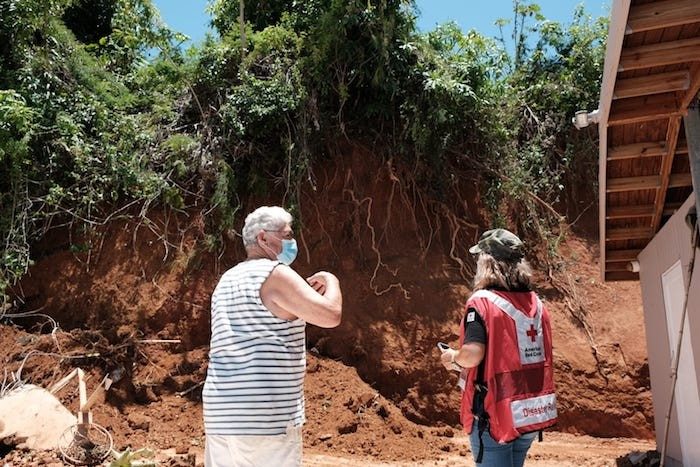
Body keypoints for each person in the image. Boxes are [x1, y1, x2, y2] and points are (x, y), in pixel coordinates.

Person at [203, 206, 343, 467]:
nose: (292, 242)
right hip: (265, 417)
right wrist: (331, 280)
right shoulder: (275, 274)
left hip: (220, 415)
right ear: (264, 239)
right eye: (287, 236)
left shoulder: (227, 280)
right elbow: (330, 315)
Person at [438, 228, 556, 467]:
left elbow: (472, 355)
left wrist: (452, 357)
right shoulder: (537, 304)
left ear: (487, 262)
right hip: (529, 412)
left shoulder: (482, 302)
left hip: (495, 415)